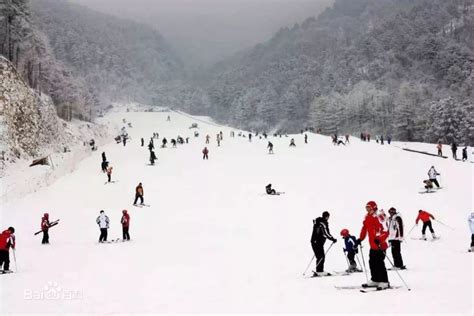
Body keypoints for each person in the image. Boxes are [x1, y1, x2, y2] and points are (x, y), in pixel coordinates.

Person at [357, 201, 390, 289]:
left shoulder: (379, 216)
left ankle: (384, 281)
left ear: (374, 208)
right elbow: (364, 229)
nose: (368, 209)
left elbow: (386, 230)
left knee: (379, 263)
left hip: (380, 245)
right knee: (372, 263)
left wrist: (379, 239)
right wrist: (360, 239)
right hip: (373, 245)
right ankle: (375, 280)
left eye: (369, 208)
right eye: (366, 208)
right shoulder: (367, 217)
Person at [310, 211, 337, 277]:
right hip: (318, 242)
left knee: (320, 256)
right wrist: (332, 239)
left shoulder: (318, 222)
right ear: (327, 217)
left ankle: (319, 270)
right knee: (321, 256)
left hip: (314, 241)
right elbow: (325, 233)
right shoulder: (323, 223)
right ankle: (319, 271)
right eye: (328, 217)